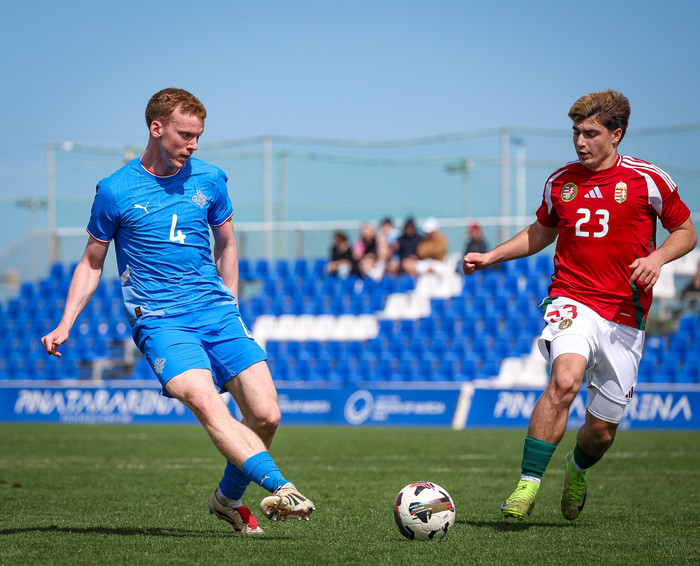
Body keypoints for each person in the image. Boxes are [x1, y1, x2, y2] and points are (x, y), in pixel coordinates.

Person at [40, 88, 315, 534]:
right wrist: (65, 322)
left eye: (198, 136)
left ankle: (226, 500)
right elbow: (92, 262)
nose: (193, 145)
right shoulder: (115, 190)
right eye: (185, 135)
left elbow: (227, 243)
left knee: (267, 415)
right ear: (156, 128)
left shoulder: (211, 179)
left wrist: (231, 302)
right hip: (161, 319)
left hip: (216, 311)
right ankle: (282, 487)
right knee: (207, 403)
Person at [462, 90, 697, 521]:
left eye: (591, 133)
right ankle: (528, 484)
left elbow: (685, 231)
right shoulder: (560, 182)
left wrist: (657, 258)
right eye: (576, 133)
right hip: (572, 298)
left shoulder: (649, 180)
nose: (580, 142)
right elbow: (541, 231)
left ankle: (577, 467)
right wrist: (491, 256)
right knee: (564, 380)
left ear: (616, 134)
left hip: (625, 314)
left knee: (601, 433)